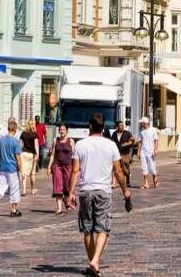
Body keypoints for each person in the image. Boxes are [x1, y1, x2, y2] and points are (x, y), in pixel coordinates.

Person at [68, 112, 132, 277]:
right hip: (103, 191)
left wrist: (70, 193)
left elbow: (75, 171)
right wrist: (125, 191)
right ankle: (95, 261)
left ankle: (93, 265)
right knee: (103, 228)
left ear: (89, 126)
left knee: (87, 230)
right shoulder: (110, 145)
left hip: (85, 191)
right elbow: (118, 170)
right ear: (104, 128)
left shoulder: (80, 145)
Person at [0, 119, 23, 216]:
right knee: (14, 189)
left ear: (8, 128)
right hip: (12, 168)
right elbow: (18, 158)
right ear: (15, 129)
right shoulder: (16, 142)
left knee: (0, 186)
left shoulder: (1, 140)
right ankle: (13, 210)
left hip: (2, 167)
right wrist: (21, 170)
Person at [50, 124, 75, 213]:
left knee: (67, 186)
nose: (61, 131)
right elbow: (52, 154)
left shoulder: (71, 141)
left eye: (63, 129)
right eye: (60, 129)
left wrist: (76, 167)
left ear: (67, 131)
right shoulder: (55, 140)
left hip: (68, 166)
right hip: (57, 166)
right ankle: (59, 208)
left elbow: (74, 155)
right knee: (58, 186)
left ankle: (67, 200)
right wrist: (49, 167)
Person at [138, 117, 160, 188]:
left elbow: (156, 140)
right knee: (144, 167)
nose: (141, 124)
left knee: (152, 166)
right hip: (143, 151)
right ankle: (146, 183)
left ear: (145, 123)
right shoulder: (141, 131)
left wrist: (156, 149)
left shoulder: (153, 130)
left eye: (142, 123)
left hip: (150, 151)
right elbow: (140, 142)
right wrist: (139, 151)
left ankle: (155, 179)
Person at [21, 119, 40, 197]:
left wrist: (18, 153)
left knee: (24, 173)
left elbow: (20, 144)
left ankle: (24, 189)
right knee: (32, 173)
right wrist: (37, 154)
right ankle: (32, 189)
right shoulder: (34, 134)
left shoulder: (23, 133)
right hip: (31, 154)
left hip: (23, 153)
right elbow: (36, 145)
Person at [115, 121, 137, 186]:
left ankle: (127, 181)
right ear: (117, 126)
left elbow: (132, 140)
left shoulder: (127, 133)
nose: (122, 126)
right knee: (118, 168)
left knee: (126, 168)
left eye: (122, 125)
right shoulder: (114, 133)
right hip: (117, 153)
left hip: (125, 153)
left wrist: (126, 144)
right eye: (120, 125)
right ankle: (117, 182)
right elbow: (112, 142)